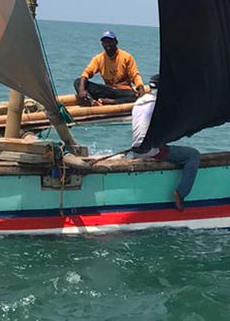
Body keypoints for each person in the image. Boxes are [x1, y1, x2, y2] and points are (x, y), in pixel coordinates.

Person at [131, 74, 201, 209]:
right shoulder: (160, 106)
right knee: (193, 155)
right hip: (151, 151)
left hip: (136, 150)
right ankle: (181, 193)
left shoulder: (138, 103)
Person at [74, 31, 144, 104]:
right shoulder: (99, 58)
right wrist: (81, 89)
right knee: (78, 82)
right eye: (105, 42)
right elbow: (86, 72)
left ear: (116, 42)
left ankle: (112, 101)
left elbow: (135, 76)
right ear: (102, 44)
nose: (107, 45)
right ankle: (91, 101)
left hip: (122, 92)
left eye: (110, 41)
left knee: (135, 96)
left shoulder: (126, 57)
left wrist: (141, 89)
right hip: (108, 91)